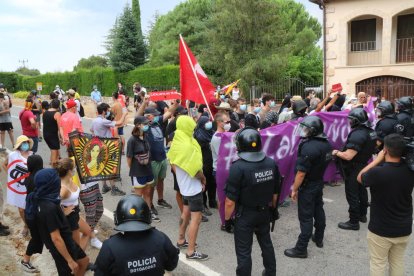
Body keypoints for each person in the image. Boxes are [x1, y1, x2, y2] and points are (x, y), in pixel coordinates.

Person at [224, 127, 280, 276]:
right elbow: (275, 193)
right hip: (264, 212)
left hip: (245, 216)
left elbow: (230, 201)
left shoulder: (238, 167)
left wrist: (227, 220)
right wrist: (273, 210)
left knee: (243, 253)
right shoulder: (270, 163)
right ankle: (270, 272)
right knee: (266, 245)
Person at [357, 134, 414, 276]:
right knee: (397, 262)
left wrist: (376, 160)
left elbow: (360, 177)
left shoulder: (378, 172)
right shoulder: (410, 170)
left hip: (381, 228)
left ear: (386, 150)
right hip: (403, 227)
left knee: (378, 263)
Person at [284, 116, 333, 258]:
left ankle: (301, 249)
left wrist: (294, 189)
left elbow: (301, 173)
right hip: (318, 182)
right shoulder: (327, 144)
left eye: (306, 128)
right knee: (318, 209)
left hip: (308, 185)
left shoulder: (309, 147)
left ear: (312, 131)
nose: (303, 130)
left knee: (306, 217)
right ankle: (319, 238)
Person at [26, 168, 89, 276]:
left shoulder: (39, 197)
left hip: (65, 241)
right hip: (62, 247)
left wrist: (63, 213)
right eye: (56, 179)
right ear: (50, 184)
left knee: (84, 261)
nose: (58, 181)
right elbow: (56, 238)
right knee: (76, 267)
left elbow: (46, 221)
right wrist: (69, 260)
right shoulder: (49, 207)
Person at [94, 195, 179, 275]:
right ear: (148, 216)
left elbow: (99, 273)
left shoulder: (109, 246)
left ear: (117, 218)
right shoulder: (161, 238)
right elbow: (171, 265)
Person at [167, 115, 209, 261]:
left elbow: (172, 161)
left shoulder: (177, 141)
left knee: (185, 212)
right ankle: (191, 251)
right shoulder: (188, 145)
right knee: (196, 219)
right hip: (193, 187)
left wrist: (180, 176)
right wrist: (203, 179)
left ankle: (180, 239)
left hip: (183, 186)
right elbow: (195, 169)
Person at [333, 108, 377, 230]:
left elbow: (348, 156)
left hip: (354, 167)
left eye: (351, 120)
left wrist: (336, 152)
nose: (350, 122)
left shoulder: (358, 134)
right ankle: (362, 216)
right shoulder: (371, 132)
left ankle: (353, 222)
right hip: (364, 165)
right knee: (362, 191)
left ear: (356, 121)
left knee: (352, 194)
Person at [137, 97, 179, 217]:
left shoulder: (157, 122)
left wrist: (176, 104)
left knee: (161, 180)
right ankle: (150, 205)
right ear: (148, 116)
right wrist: (144, 103)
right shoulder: (143, 126)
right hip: (153, 160)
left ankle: (160, 200)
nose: (156, 116)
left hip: (162, 158)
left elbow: (169, 112)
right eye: (153, 115)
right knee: (151, 185)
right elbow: (137, 116)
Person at [90, 102, 127, 195]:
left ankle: (104, 186)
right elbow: (119, 123)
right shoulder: (103, 121)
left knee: (102, 166)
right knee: (109, 167)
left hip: (99, 146)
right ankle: (113, 188)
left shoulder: (94, 121)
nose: (108, 112)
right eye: (107, 110)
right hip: (106, 146)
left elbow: (91, 130)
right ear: (103, 111)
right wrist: (124, 114)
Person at [126, 116, 156, 220]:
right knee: (138, 195)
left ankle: (148, 212)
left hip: (148, 170)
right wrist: (133, 170)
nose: (147, 125)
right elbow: (129, 157)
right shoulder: (132, 140)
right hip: (138, 172)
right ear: (138, 125)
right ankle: (138, 216)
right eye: (145, 124)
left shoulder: (146, 136)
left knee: (147, 192)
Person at [5, 135, 33, 237]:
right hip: (18, 188)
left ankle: (32, 226)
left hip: (29, 187)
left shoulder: (32, 156)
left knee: (30, 208)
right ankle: (26, 226)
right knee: (21, 209)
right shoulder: (13, 155)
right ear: (19, 145)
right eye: (23, 143)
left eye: (26, 142)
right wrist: (10, 176)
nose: (25, 144)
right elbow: (5, 164)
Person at [21, 154, 44, 273]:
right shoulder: (37, 179)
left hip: (31, 212)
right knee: (36, 238)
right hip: (35, 214)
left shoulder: (30, 177)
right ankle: (25, 261)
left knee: (39, 237)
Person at [194, 116, 215, 216]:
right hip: (203, 162)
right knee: (204, 184)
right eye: (207, 122)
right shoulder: (198, 136)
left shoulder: (211, 132)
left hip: (211, 161)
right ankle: (203, 205)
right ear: (202, 124)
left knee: (212, 182)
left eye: (210, 121)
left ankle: (212, 201)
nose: (209, 123)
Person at [43, 99, 62, 166]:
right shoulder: (57, 114)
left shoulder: (45, 112)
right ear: (58, 106)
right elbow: (60, 128)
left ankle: (53, 164)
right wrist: (62, 138)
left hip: (46, 135)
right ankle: (53, 170)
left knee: (53, 151)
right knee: (54, 152)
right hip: (53, 136)